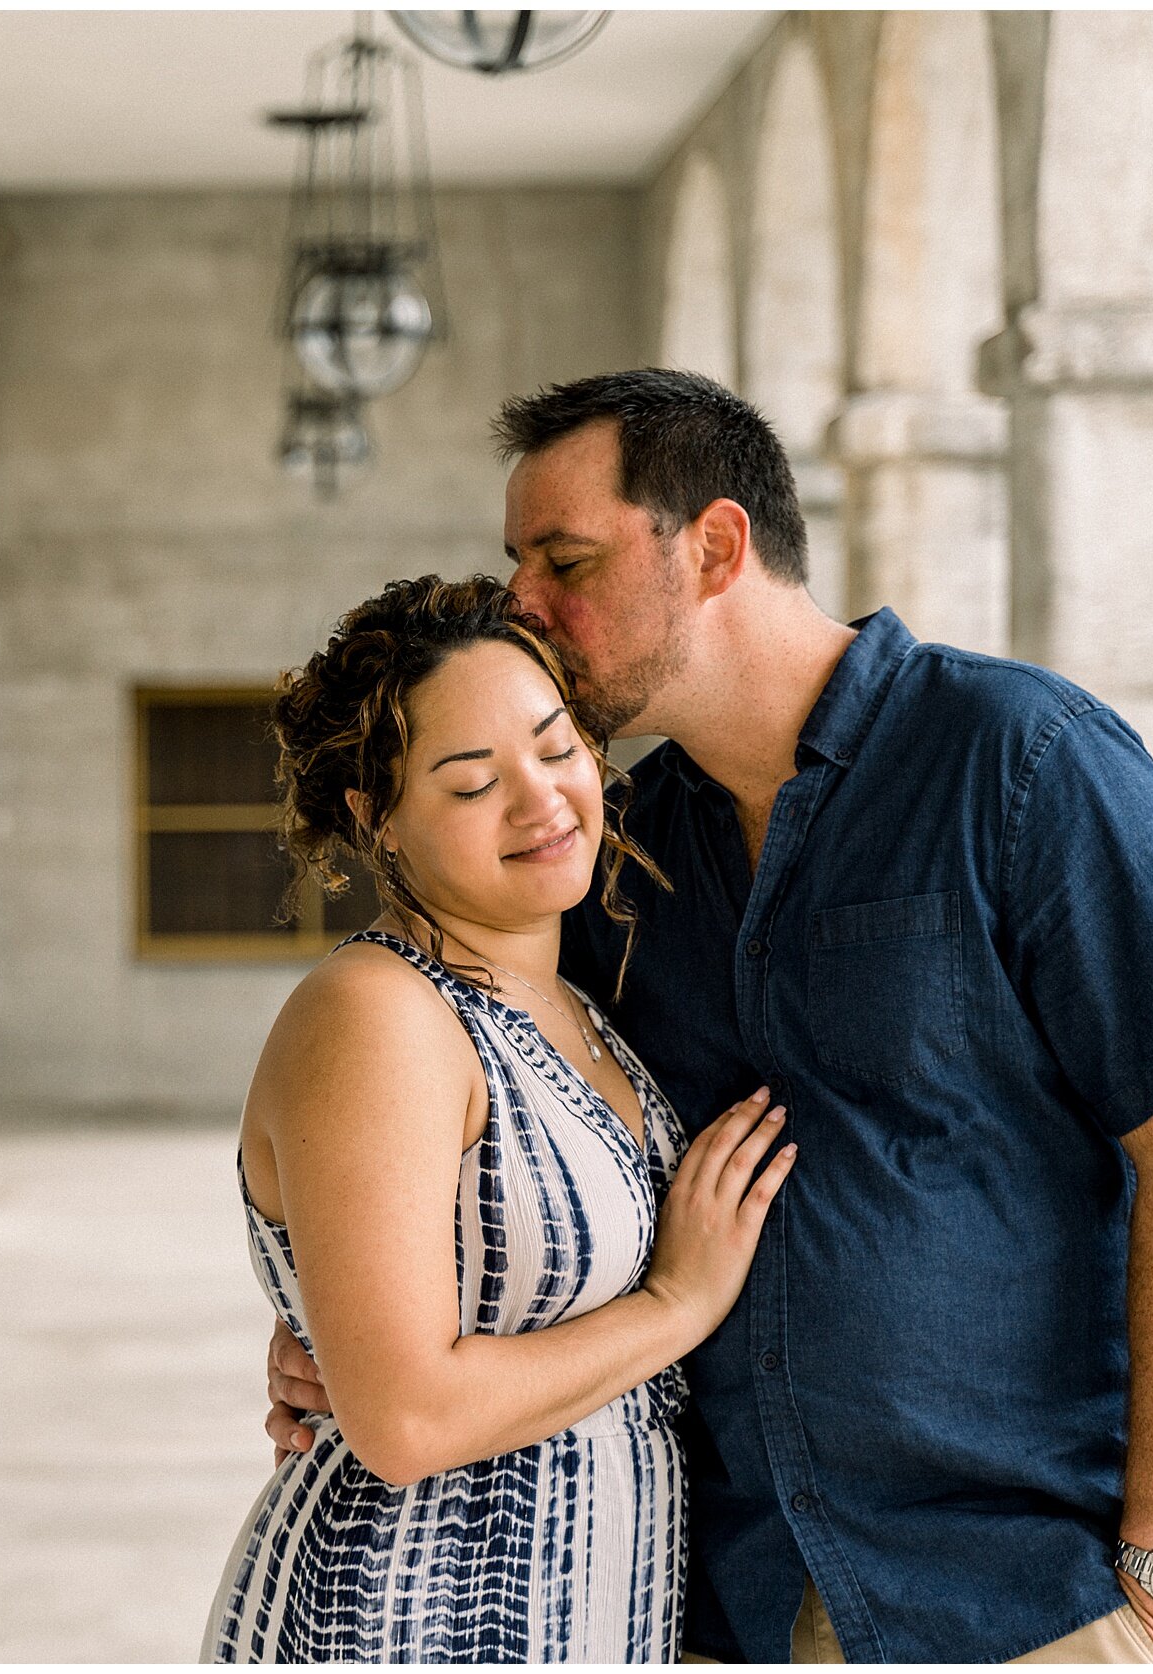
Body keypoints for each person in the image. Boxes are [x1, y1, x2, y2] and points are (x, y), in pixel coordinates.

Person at [262, 371, 1153, 1664]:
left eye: (564, 559)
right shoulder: (615, 857)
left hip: (1029, 1603)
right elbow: (480, 1120)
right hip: (728, 1600)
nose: (525, 603)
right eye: (516, 563)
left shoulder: (1021, 762)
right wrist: (346, 1326)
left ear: (717, 546)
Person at [204, 575, 796, 1663]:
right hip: (415, 1610)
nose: (543, 801)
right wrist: (677, 1302)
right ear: (372, 817)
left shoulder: (571, 995)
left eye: (556, 748)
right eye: (472, 784)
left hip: (595, 1604)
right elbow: (408, 1422)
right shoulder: (376, 1014)